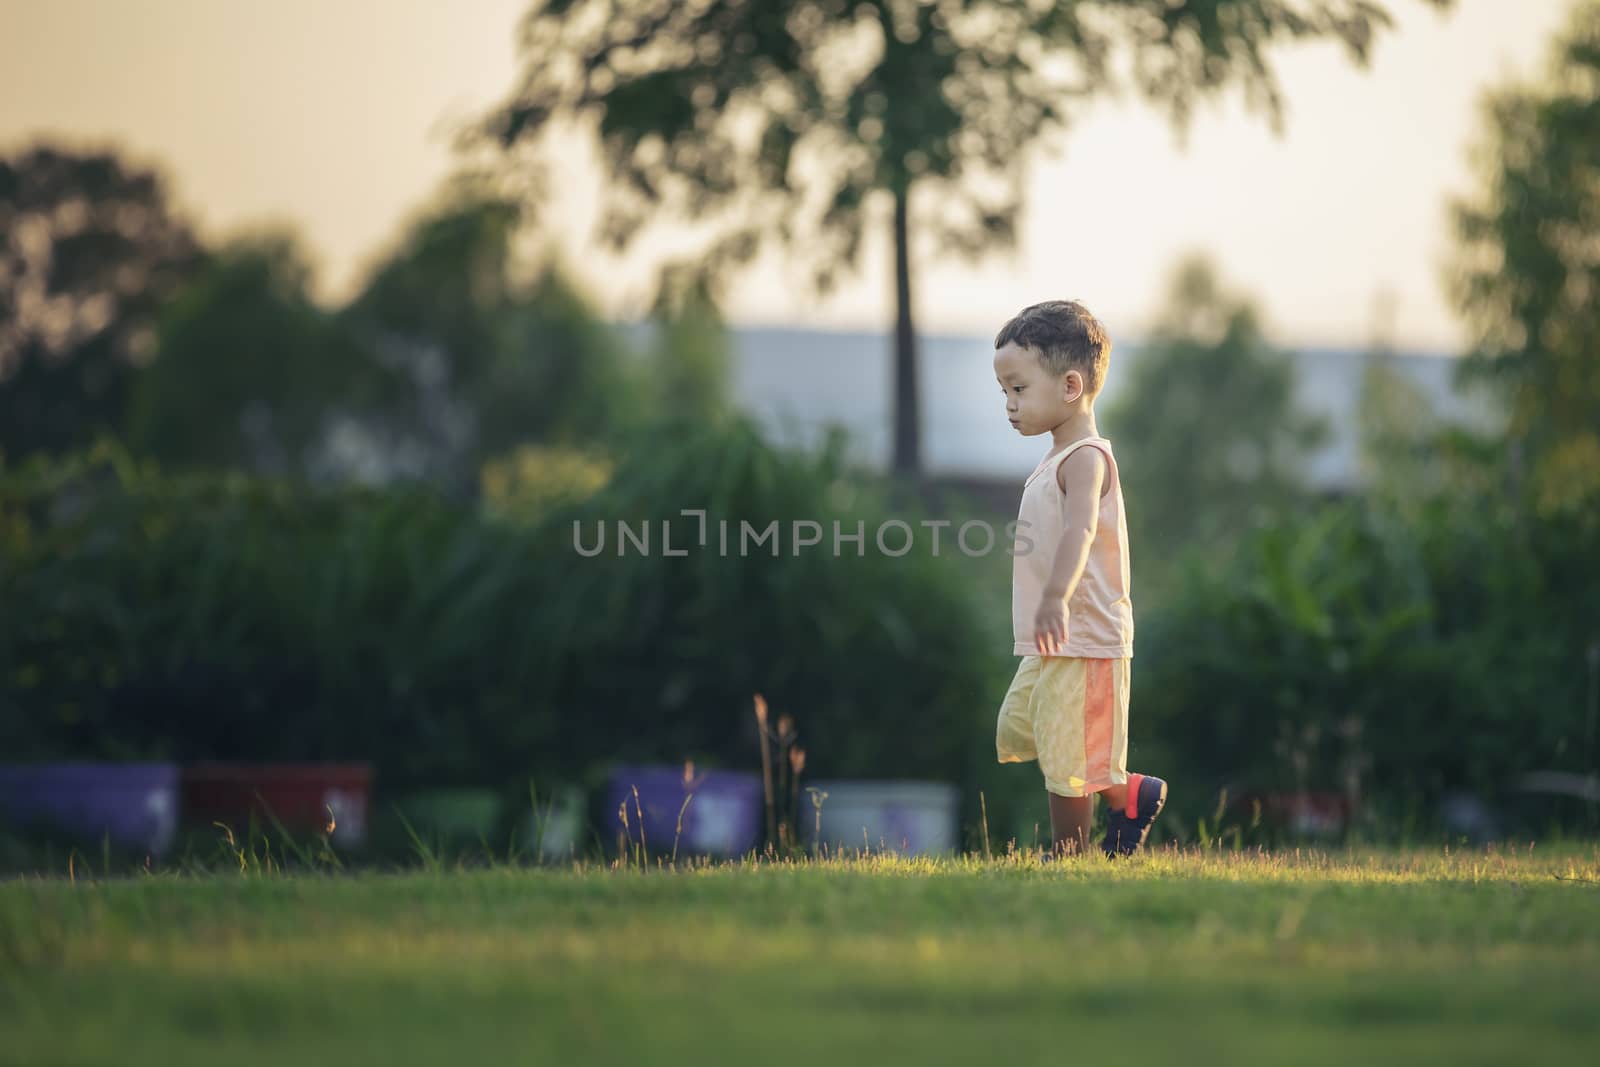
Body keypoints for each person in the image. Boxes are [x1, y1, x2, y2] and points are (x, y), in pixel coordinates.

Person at [992, 300, 1167, 858]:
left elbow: (1082, 529)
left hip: (1083, 631)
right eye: (1005, 393)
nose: (1010, 406)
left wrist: (1056, 597)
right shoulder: (1053, 458)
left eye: (1018, 390)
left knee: (1068, 750)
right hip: (1053, 637)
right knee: (1028, 726)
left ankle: (1069, 854)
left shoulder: (1087, 459)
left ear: (1070, 386)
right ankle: (1127, 791)